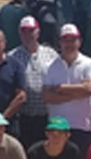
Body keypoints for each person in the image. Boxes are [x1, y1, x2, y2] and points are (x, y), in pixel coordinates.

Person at [43, 24, 91, 158]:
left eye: (73, 40)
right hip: (56, 128)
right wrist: (79, 92)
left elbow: (90, 89)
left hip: (81, 127)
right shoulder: (49, 66)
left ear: (79, 41)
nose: (69, 44)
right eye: (65, 40)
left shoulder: (89, 63)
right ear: (60, 42)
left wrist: (59, 88)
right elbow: (47, 96)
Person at [8, 16, 58, 147]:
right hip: (23, 118)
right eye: (24, 31)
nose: (27, 35)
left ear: (38, 32)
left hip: (46, 117)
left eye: (31, 31)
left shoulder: (51, 55)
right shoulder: (12, 57)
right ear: (19, 33)